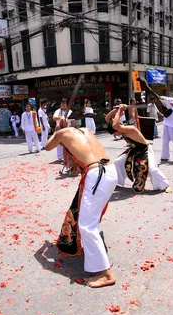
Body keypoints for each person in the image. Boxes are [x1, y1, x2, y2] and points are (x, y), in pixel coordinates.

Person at [44, 123, 118, 288]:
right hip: (110, 170)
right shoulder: (86, 130)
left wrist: (56, 132)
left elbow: (47, 146)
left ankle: (106, 273)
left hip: (97, 174)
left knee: (86, 225)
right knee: (90, 219)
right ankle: (96, 255)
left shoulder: (61, 133)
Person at [105, 105, 170, 193]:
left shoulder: (130, 129)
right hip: (133, 150)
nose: (115, 135)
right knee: (117, 163)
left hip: (145, 150)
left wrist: (120, 110)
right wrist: (116, 109)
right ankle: (118, 183)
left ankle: (165, 185)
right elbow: (107, 119)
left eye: (115, 133)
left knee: (152, 169)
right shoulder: (120, 128)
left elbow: (115, 125)